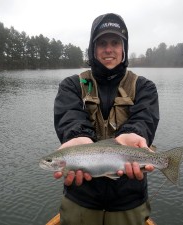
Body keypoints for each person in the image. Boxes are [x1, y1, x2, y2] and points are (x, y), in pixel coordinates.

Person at [53, 13, 159, 225]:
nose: (108, 49)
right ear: (93, 49)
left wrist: (134, 134)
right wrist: (78, 137)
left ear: (123, 48)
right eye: (102, 43)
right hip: (81, 197)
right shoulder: (72, 85)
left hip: (129, 198)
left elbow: (144, 120)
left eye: (115, 42)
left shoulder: (145, 87)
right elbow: (70, 117)